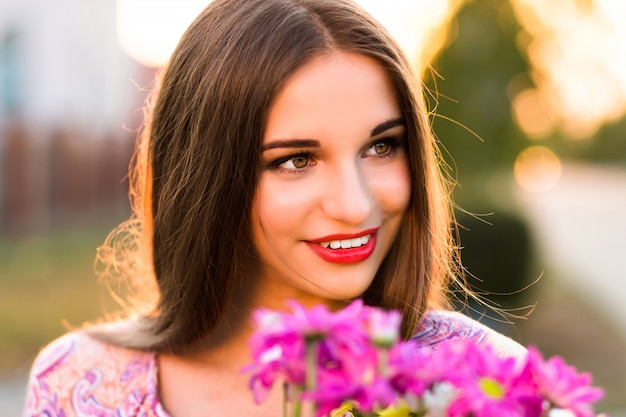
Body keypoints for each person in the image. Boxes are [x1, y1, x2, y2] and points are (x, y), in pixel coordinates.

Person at [23, 0, 525, 415]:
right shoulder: (76, 386)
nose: (355, 205)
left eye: (381, 147)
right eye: (297, 159)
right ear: (206, 178)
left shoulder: (483, 378)